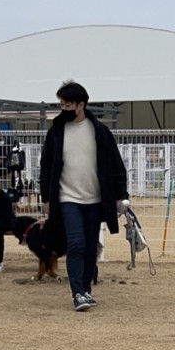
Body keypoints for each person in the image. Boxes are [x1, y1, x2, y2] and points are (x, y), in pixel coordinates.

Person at [39, 80, 129, 313]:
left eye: (68, 105)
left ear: (81, 105)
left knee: (90, 247)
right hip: (67, 198)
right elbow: (46, 167)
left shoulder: (100, 132)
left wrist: (121, 195)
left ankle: (86, 288)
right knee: (76, 244)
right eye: (61, 105)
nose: (64, 109)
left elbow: (116, 166)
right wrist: (46, 199)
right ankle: (77, 292)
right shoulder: (56, 133)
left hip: (96, 200)